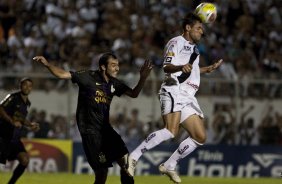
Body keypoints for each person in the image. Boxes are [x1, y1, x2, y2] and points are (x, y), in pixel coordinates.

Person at [127, 12, 223, 183]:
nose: (201, 32)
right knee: (171, 131)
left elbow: (189, 69)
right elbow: (167, 67)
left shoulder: (194, 49)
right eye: (199, 28)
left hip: (187, 95)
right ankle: (133, 156)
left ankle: (169, 165)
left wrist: (206, 69)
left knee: (200, 137)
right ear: (188, 28)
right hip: (174, 88)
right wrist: (181, 66)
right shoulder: (176, 42)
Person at [33, 53, 152, 184]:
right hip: (90, 131)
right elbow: (62, 74)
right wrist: (47, 64)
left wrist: (143, 78)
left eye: (118, 65)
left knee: (127, 165)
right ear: (102, 67)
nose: (117, 68)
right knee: (102, 173)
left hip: (106, 130)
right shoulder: (88, 76)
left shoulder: (114, 83)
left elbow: (134, 94)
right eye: (113, 65)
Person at [0, 77, 40, 184]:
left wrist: (30, 124)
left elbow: (19, 118)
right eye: (25, 85)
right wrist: (11, 122)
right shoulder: (13, 97)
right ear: (20, 86)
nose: (27, 87)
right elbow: (0, 108)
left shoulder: (27, 103)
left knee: (25, 160)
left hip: (15, 139)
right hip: (3, 137)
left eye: (30, 86)